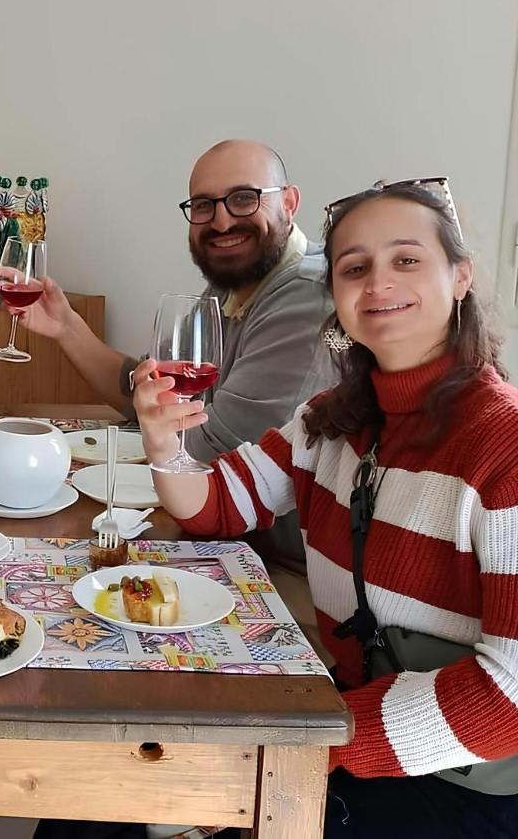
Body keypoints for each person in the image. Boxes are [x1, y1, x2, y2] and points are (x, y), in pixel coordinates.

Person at [129, 180, 518, 837]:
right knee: (115, 795)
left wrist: (309, 742)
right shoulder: (331, 420)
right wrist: (164, 441)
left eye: (406, 259)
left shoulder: (503, 444)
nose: (378, 282)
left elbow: (510, 696)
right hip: (343, 725)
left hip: (457, 782)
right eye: (354, 268)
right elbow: (218, 503)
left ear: (461, 277)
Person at [0, 140, 335, 574]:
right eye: (204, 205)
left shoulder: (306, 299)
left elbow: (207, 458)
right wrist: (66, 326)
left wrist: (156, 425)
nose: (222, 220)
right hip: (213, 535)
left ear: (288, 202)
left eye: (243, 198)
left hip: (273, 566)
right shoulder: (237, 282)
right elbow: (151, 396)